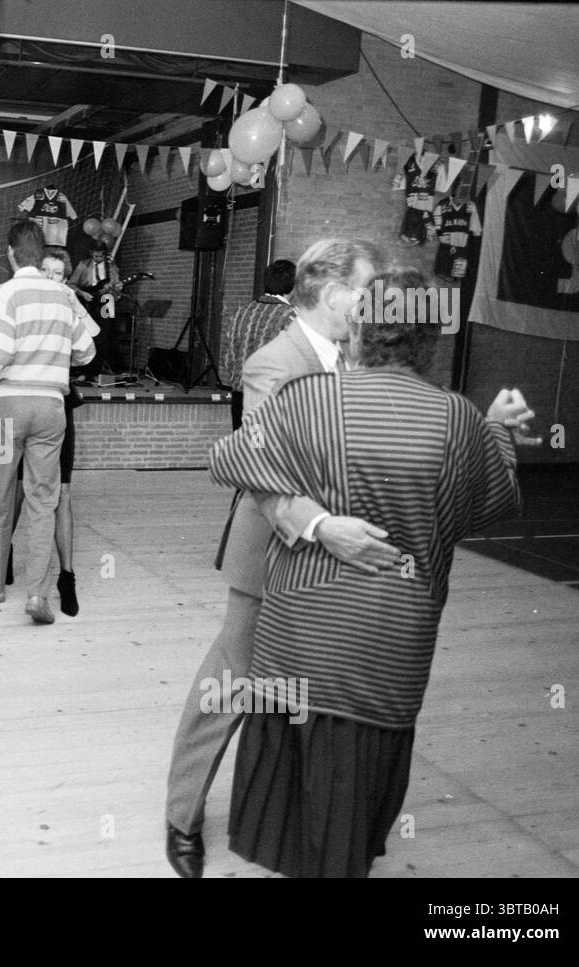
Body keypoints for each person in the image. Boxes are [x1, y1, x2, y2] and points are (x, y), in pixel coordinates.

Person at [209, 266, 530, 877]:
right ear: (430, 341)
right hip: (389, 647)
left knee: (290, 810)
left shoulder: (306, 400)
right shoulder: (456, 419)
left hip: (298, 638)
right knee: (346, 818)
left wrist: (317, 519)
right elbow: (489, 504)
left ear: (359, 330)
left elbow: (227, 460)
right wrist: (497, 431)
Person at [164, 238, 402, 877]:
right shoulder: (274, 363)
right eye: (364, 289)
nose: (372, 301)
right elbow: (267, 471)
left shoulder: (359, 360)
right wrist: (322, 524)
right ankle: (182, 816)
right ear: (331, 295)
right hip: (275, 556)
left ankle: (308, 824)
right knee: (231, 688)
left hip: (337, 565)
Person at [0, 220, 95, 625]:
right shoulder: (64, 296)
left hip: (7, 405)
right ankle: (36, 595)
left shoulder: (6, 292)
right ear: (40, 251)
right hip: (50, 409)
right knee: (43, 501)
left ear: (12, 253)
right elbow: (86, 352)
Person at [5, 249, 92, 615]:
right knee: (16, 487)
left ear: (66, 278)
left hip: (56, 404)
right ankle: (3, 555)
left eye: (59, 273)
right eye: (46, 270)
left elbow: (89, 352)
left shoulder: (67, 304)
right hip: (24, 402)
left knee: (63, 494)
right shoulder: (19, 298)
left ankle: (66, 577)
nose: (51, 277)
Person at [220, 259, 296, 429]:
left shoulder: (241, 312)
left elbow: (228, 358)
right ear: (293, 286)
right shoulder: (290, 317)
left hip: (241, 396)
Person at [67, 239, 122, 381]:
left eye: (101, 256)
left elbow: (116, 289)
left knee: (106, 335)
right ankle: (86, 371)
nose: (98, 259)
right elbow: (71, 284)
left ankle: (99, 371)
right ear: (91, 253)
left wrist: (117, 289)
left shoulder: (112, 267)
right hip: (88, 300)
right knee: (90, 335)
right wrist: (82, 293)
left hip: (107, 301)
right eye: (96, 256)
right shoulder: (83, 265)